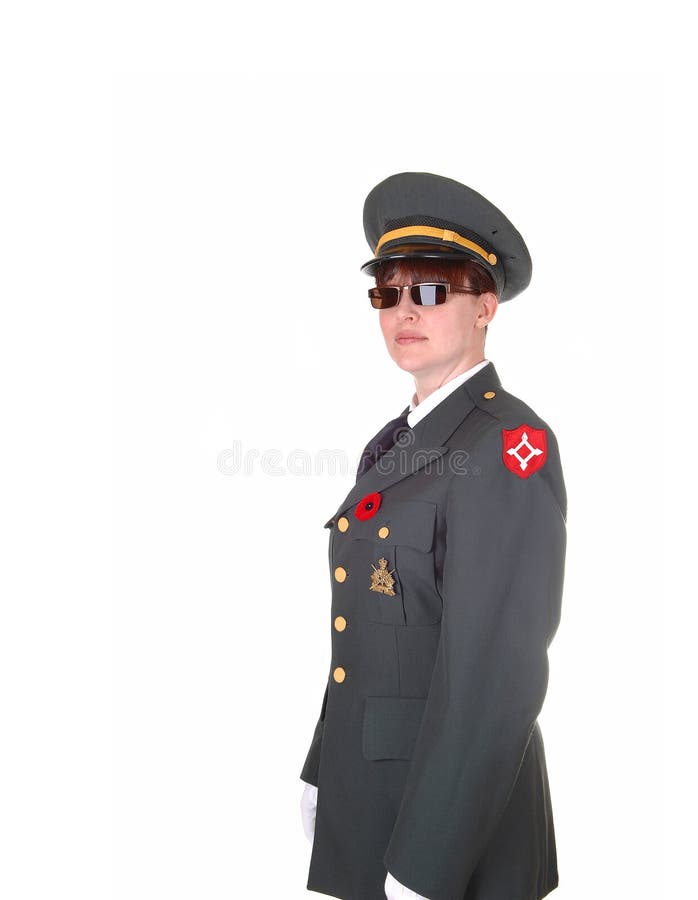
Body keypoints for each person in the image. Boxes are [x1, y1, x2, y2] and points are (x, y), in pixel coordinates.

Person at [299, 172, 567, 900]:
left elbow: (496, 677)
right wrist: (324, 769)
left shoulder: (510, 445)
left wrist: (429, 861)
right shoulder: (399, 444)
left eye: (429, 290)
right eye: (388, 293)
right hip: (373, 801)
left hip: (450, 835)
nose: (402, 312)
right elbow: (369, 633)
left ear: (485, 305)